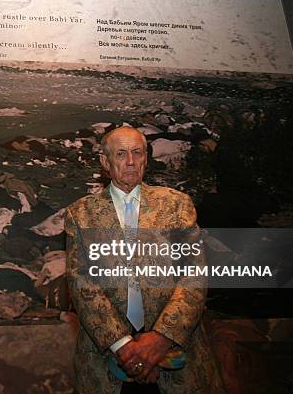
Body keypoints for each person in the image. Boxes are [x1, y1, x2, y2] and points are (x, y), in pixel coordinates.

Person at [64, 126, 223, 393]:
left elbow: (195, 275)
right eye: (121, 153)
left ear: (146, 159)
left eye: (137, 153)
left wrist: (159, 340)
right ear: (105, 162)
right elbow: (82, 284)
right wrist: (124, 347)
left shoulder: (176, 204)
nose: (130, 161)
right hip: (107, 366)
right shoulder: (80, 214)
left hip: (177, 360)